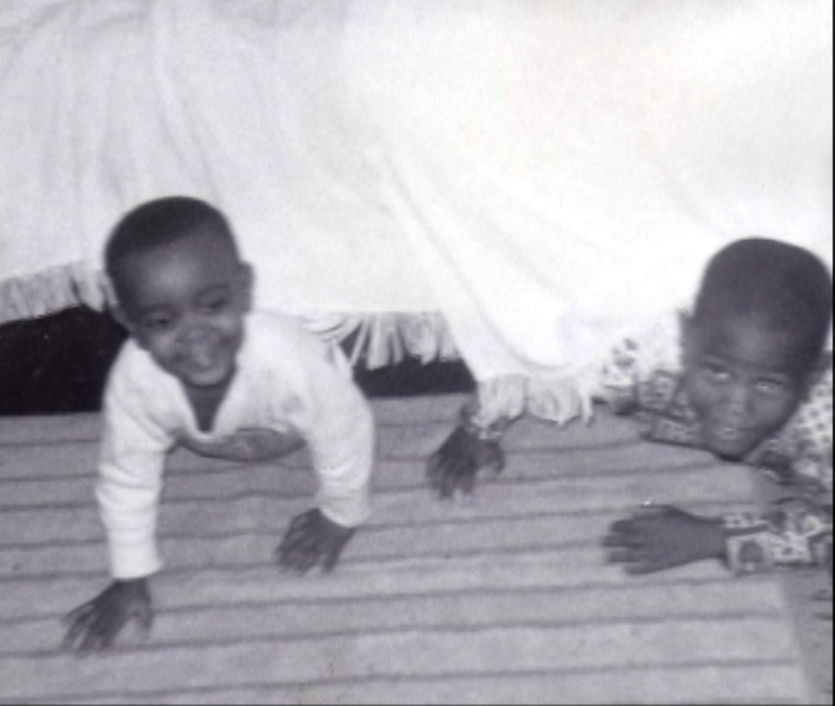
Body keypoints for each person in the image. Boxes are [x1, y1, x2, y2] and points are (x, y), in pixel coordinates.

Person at [62, 196, 375, 654]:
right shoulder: (135, 382)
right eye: (163, 321)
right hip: (218, 436)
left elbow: (345, 430)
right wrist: (130, 575)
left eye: (212, 306)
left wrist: (340, 514)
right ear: (129, 324)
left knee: (327, 412)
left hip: (291, 420)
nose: (194, 335)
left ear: (244, 290)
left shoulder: (290, 360)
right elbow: (126, 475)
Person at [429, 237, 832, 576]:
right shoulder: (641, 357)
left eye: (767, 385)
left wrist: (716, 538)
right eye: (718, 374)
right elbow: (548, 356)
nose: (736, 407)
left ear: (809, 379)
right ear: (686, 340)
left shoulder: (822, 432)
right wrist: (478, 427)